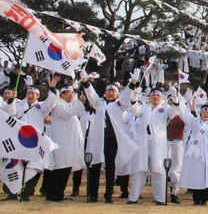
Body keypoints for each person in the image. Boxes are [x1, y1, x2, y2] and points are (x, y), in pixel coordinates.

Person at [81, 69, 140, 203]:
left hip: (112, 139)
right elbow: (91, 94)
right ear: (105, 92)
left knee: (110, 167)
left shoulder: (120, 105)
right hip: (98, 138)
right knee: (95, 166)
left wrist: (133, 83)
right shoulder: (99, 102)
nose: (111, 93)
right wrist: (85, 82)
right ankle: (93, 193)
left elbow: (126, 96)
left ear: (116, 93)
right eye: (109, 91)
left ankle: (109, 194)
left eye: (113, 91)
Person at [127, 84, 181, 205]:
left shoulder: (165, 108)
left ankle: (160, 199)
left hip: (158, 142)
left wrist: (175, 96)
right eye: (153, 95)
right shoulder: (144, 108)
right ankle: (133, 198)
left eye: (158, 95)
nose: (156, 97)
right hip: (143, 140)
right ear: (149, 97)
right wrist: (135, 95)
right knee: (140, 169)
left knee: (158, 169)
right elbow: (134, 110)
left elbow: (175, 111)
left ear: (161, 98)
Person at [47, 83, 87, 202]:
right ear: (62, 94)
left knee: (66, 168)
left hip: (69, 142)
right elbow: (67, 113)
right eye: (69, 93)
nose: (71, 95)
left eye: (72, 93)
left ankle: (60, 192)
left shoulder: (69, 105)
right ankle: (52, 193)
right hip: (61, 142)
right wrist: (80, 104)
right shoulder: (58, 104)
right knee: (59, 167)